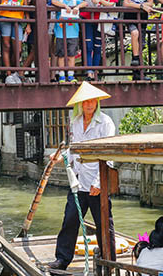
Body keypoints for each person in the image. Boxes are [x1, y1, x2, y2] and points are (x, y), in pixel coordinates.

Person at [47, 81, 116, 270]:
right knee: (70, 220)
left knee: (104, 223)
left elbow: (109, 154)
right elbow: (74, 150)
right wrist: (60, 157)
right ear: (80, 104)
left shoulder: (106, 123)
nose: (89, 105)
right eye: (85, 102)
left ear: (97, 103)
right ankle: (62, 259)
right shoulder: (75, 122)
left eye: (92, 101)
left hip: (96, 182)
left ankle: (109, 261)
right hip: (77, 182)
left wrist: (99, 183)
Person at [22, 0, 60, 76]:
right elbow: (30, 7)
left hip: (51, 24)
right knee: (37, 49)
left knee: (51, 50)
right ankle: (22, 72)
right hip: (39, 24)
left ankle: (51, 76)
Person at [121, 0, 155, 78]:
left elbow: (151, 3)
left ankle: (138, 73)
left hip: (143, 19)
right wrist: (141, 6)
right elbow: (125, 3)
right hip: (130, 18)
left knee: (141, 44)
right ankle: (135, 59)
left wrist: (141, 6)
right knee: (134, 33)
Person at [51, 0, 87, 83]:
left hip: (73, 33)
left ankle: (71, 75)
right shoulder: (59, 0)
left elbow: (86, 2)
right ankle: (62, 75)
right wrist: (64, 6)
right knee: (61, 55)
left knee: (71, 55)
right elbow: (53, 1)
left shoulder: (76, 2)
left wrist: (77, 7)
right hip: (60, 33)